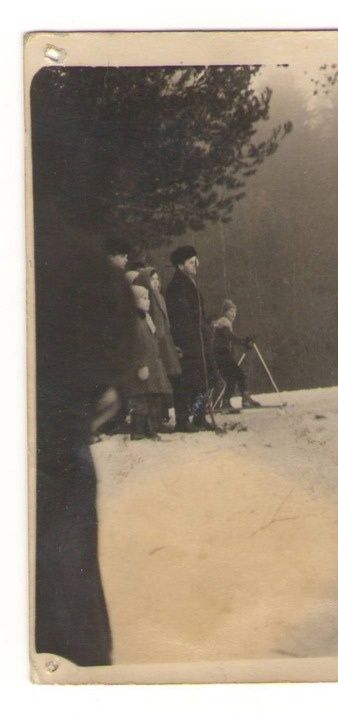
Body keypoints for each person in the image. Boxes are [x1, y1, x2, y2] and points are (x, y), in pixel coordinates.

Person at [35, 215, 137, 666]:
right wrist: (106, 384)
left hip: (56, 426)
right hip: (57, 432)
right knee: (65, 561)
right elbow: (118, 324)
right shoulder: (69, 247)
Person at [164, 245, 218, 432]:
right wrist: (188, 341)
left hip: (200, 340)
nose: (196, 264)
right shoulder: (177, 287)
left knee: (204, 380)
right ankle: (182, 419)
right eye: (190, 261)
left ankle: (199, 416)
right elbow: (181, 319)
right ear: (180, 265)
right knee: (187, 382)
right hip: (188, 343)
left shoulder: (189, 282)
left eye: (196, 260)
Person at [121, 285, 174, 439]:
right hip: (141, 368)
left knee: (150, 398)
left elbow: (152, 340)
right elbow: (133, 347)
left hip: (151, 365)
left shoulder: (146, 318)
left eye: (148, 298)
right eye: (144, 299)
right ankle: (137, 431)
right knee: (139, 401)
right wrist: (139, 365)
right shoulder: (133, 322)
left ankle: (149, 428)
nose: (148, 301)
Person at [133, 267, 181, 427]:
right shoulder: (147, 300)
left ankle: (160, 417)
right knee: (154, 384)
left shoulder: (159, 297)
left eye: (158, 279)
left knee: (162, 382)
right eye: (152, 280)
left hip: (164, 342)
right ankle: (153, 420)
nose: (156, 283)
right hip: (155, 345)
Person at [213, 300, 261, 409]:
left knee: (231, 379)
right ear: (225, 312)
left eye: (235, 312)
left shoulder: (224, 325)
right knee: (239, 375)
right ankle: (245, 399)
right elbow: (230, 337)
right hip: (222, 355)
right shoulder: (224, 323)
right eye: (231, 311)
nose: (233, 314)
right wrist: (244, 341)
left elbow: (231, 340)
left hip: (220, 355)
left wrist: (243, 342)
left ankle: (226, 403)